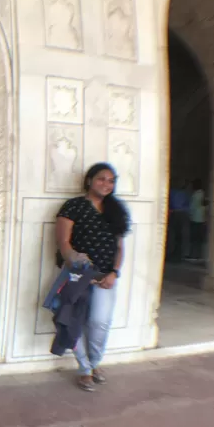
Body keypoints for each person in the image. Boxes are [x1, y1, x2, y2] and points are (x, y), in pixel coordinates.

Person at [55, 163, 131, 392]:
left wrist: (114, 273)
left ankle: (95, 362)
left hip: (106, 277)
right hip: (78, 275)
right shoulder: (74, 206)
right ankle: (85, 369)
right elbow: (63, 243)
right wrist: (80, 270)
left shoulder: (116, 210)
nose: (106, 184)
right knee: (73, 320)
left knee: (100, 322)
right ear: (89, 180)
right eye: (101, 179)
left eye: (111, 180)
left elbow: (119, 247)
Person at [167, 178, 191, 263]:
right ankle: (181, 254)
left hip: (175, 213)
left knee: (173, 234)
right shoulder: (185, 193)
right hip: (181, 214)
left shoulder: (172, 192)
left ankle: (171, 252)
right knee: (181, 234)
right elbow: (188, 204)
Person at [187, 178, 207, 261]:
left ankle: (193, 255)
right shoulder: (203, 193)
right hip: (201, 218)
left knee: (194, 238)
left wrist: (189, 214)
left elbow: (192, 207)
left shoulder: (196, 194)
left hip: (195, 218)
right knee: (198, 238)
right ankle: (198, 255)